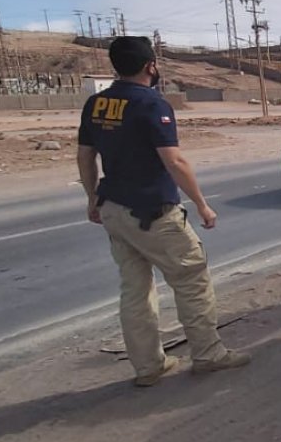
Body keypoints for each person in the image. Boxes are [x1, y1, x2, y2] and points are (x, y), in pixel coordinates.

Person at [77, 36, 251, 387]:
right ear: (150, 66)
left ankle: (148, 367)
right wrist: (201, 204)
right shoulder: (151, 103)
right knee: (191, 279)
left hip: (114, 209)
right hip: (153, 213)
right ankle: (208, 355)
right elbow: (174, 161)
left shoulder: (96, 103)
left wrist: (92, 197)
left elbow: (85, 155)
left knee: (135, 290)